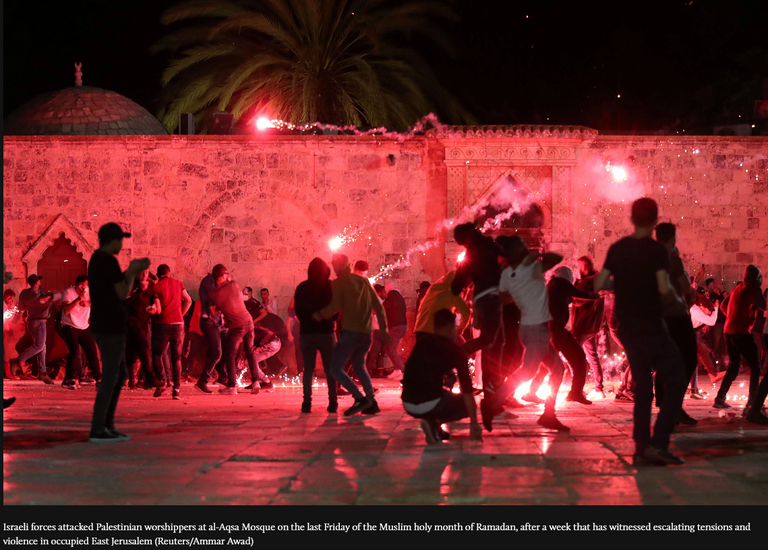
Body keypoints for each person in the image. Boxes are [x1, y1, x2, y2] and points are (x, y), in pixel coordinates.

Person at [594, 197, 688, 465]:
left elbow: (600, 282)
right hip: (650, 324)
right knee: (678, 379)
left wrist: (622, 283)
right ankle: (658, 443)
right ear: (655, 220)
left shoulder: (618, 248)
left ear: (632, 218)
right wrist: (675, 296)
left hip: (626, 326)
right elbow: (662, 288)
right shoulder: (657, 251)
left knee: (643, 386)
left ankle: (641, 446)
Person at [480, 236, 569, 432]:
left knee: (555, 369)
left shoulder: (511, 273)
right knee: (528, 371)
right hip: (535, 328)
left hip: (532, 327)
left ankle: (548, 415)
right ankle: (492, 403)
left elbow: (504, 298)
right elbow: (555, 257)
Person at [88, 222, 150, 442]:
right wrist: (132, 272)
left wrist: (127, 273)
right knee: (112, 376)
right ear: (112, 240)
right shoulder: (107, 261)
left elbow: (112, 287)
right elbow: (122, 292)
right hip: (108, 326)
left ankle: (107, 425)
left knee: (120, 374)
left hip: (104, 324)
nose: (121, 245)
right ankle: (99, 428)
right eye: (120, 241)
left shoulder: (97, 259)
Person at [314, 254, 391, 416]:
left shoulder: (339, 283)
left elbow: (334, 306)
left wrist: (318, 315)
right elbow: (379, 307)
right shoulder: (364, 281)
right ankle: (372, 402)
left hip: (351, 333)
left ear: (337, 267)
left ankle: (359, 398)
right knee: (358, 366)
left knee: (335, 368)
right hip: (366, 334)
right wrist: (384, 331)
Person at [401, 309, 483, 444]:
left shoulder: (422, 342)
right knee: (466, 404)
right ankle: (434, 422)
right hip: (429, 403)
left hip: (408, 403)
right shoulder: (455, 352)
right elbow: (467, 391)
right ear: (452, 328)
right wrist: (474, 424)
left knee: (449, 378)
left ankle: (435, 429)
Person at [451, 222, 505, 398]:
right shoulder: (489, 245)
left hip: (481, 300)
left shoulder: (470, 254)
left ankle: (492, 392)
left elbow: (456, 286)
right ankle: (457, 354)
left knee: (495, 342)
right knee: (491, 342)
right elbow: (506, 260)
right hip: (491, 299)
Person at [653, 222, 700, 426]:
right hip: (676, 315)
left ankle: (666, 404)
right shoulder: (671, 259)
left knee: (666, 360)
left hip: (659, 315)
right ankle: (673, 406)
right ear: (672, 238)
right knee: (688, 359)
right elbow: (684, 287)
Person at [713, 265, 767, 424]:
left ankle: (720, 398)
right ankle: (752, 404)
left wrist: (733, 316)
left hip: (728, 331)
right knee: (756, 366)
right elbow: (764, 305)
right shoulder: (753, 291)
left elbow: (723, 305)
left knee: (734, 366)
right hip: (741, 332)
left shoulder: (738, 288)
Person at [208, 271, 273, 395]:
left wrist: (218, 304)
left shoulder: (214, 293)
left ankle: (232, 386)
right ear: (222, 276)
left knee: (230, 355)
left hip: (237, 325)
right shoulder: (234, 285)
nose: (227, 276)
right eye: (225, 274)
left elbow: (213, 312)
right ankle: (256, 383)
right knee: (250, 352)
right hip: (249, 321)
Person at [544, 265, 600, 404]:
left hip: (548, 329)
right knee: (579, 358)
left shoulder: (552, 286)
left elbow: (571, 298)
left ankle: (531, 391)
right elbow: (579, 294)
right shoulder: (562, 284)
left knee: (549, 365)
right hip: (557, 330)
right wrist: (596, 295)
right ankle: (575, 393)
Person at [294, 258, 337, 413]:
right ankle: (333, 402)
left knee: (308, 369)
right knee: (330, 368)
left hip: (307, 333)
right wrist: (332, 319)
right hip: (326, 331)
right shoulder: (330, 286)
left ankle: (307, 403)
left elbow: (298, 311)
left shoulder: (301, 288)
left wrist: (308, 320)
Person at [150, 264, 192, 399]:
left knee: (157, 354)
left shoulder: (156, 287)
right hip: (179, 325)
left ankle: (162, 381)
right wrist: (181, 314)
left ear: (158, 275)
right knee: (177, 358)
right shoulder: (178, 283)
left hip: (162, 324)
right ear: (169, 273)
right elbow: (189, 300)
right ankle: (176, 390)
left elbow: (158, 309)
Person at [13, 275, 62, 384]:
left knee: (42, 348)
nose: (40, 281)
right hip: (40, 322)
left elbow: (21, 307)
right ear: (36, 283)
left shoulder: (25, 293)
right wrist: (48, 298)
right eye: (39, 280)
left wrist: (31, 305)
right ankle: (18, 360)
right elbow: (59, 295)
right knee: (39, 346)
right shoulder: (42, 295)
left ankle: (42, 372)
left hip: (30, 322)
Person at [571, 256, 607, 400]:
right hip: (593, 326)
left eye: (578, 267)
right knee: (593, 357)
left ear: (583, 267)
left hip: (582, 325)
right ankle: (599, 389)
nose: (577, 270)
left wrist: (571, 294)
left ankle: (577, 389)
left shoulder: (585, 282)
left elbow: (577, 300)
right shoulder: (598, 280)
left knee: (572, 356)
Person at [60, 275, 101, 390]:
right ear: (81, 286)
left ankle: (98, 379)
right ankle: (72, 379)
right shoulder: (68, 292)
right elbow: (66, 310)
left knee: (92, 352)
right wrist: (79, 299)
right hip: (69, 325)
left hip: (84, 326)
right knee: (74, 351)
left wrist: (89, 303)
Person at [194, 265, 229, 394]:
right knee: (216, 352)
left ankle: (223, 377)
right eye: (224, 278)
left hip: (219, 321)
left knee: (229, 346)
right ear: (218, 276)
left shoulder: (218, 283)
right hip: (208, 321)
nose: (225, 281)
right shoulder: (207, 282)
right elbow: (215, 299)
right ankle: (203, 381)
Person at [414, 271, 471, 341]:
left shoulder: (434, 287)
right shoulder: (453, 290)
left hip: (420, 329)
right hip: (435, 331)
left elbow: (438, 304)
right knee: (459, 344)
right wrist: (460, 329)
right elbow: (466, 312)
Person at [125, 272, 159, 389]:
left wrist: (153, 308)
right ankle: (149, 378)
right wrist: (138, 291)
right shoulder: (130, 284)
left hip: (144, 323)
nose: (144, 275)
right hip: (131, 323)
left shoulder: (151, 287)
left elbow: (155, 304)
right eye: (142, 272)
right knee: (144, 350)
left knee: (132, 355)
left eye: (146, 272)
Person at [381, 282, 408, 377]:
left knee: (391, 349)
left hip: (397, 326)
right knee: (387, 347)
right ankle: (397, 370)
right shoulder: (399, 296)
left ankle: (405, 372)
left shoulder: (393, 295)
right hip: (401, 326)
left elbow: (384, 306)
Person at [4, 289, 26, 380]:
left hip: (5, 332)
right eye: (9, 298)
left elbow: (9, 318)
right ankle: (8, 374)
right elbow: (6, 318)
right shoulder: (3, 306)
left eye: (12, 298)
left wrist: (12, 309)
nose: (11, 300)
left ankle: (8, 373)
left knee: (6, 354)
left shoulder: (8, 307)